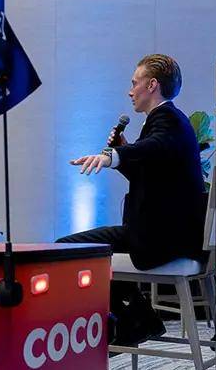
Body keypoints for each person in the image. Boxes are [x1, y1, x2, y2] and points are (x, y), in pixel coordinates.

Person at [59, 54, 206, 346]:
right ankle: (139, 318)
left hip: (160, 239)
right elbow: (146, 171)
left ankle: (136, 319)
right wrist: (125, 153)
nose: (130, 91)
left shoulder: (167, 119)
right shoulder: (168, 122)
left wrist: (113, 155)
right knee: (83, 248)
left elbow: (155, 145)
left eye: (134, 83)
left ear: (152, 85)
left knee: (65, 249)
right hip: (165, 235)